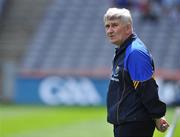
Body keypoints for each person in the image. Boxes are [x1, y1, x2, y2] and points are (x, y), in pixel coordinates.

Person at [103, 8, 169, 137]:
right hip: (127, 123)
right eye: (107, 26)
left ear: (128, 28)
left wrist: (157, 116)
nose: (109, 31)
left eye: (115, 25)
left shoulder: (134, 53)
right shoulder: (124, 51)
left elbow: (147, 88)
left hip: (134, 125)